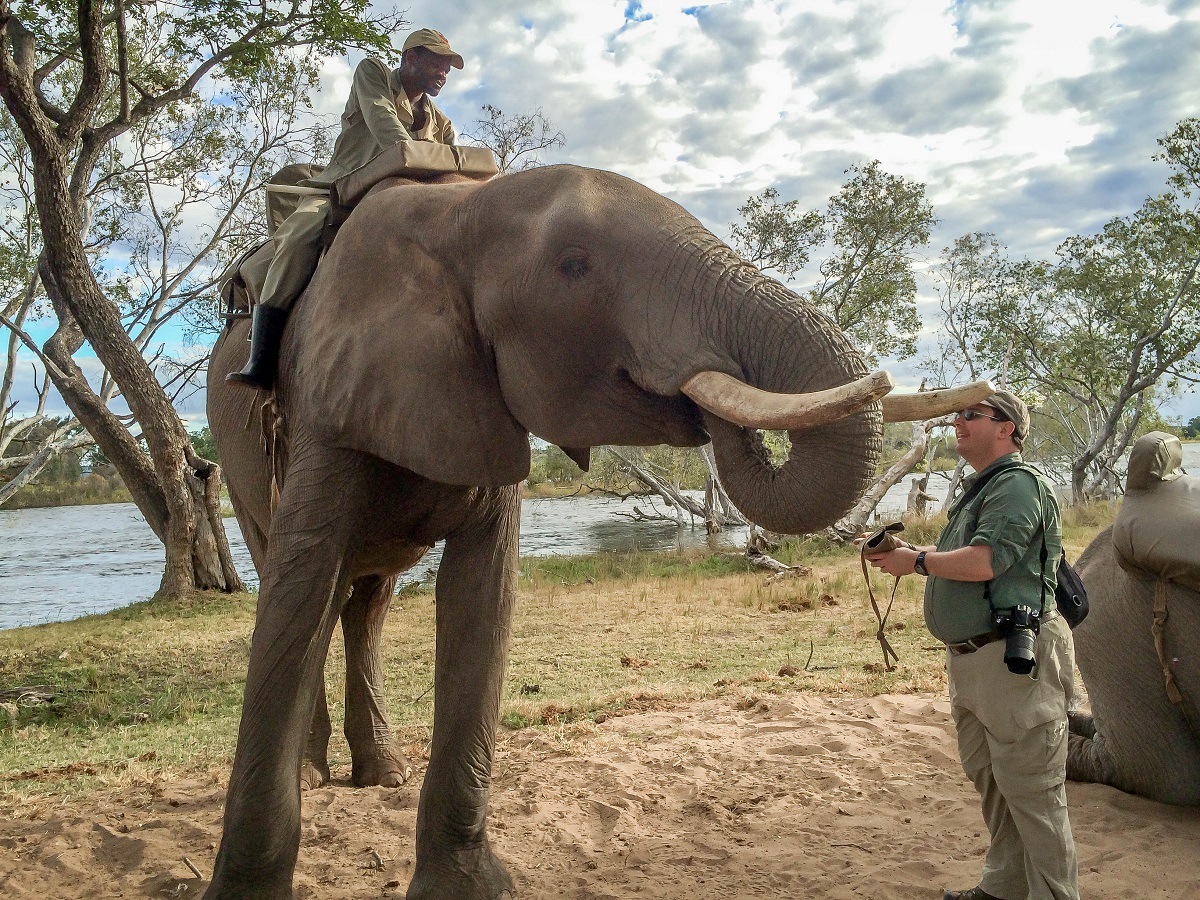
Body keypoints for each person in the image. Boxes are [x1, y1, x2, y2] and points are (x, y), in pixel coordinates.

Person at [866, 391, 1079, 900]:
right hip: (973, 663)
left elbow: (986, 561)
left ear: (1006, 429)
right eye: (957, 414)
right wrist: (910, 551)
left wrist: (917, 563)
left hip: (1014, 662)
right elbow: (963, 555)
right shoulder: (981, 488)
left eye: (970, 415)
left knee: (1034, 795)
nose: (956, 422)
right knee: (995, 785)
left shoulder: (1017, 486)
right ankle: (1004, 888)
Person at [227, 28, 463, 390]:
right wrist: (413, 156)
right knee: (296, 238)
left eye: (448, 67)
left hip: (410, 200)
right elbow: (385, 125)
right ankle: (261, 358)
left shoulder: (441, 123)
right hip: (343, 192)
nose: (443, 73)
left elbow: (452, 171)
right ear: (410, 58)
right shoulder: (373, 74)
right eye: (437, 62)